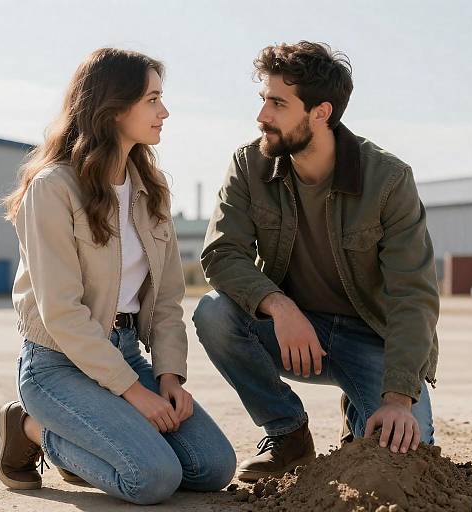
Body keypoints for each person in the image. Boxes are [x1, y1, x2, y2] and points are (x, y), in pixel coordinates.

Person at [0, 47, 236, 504]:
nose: (164, 112)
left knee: (212, 466)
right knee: (151, 479)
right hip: (58, 364)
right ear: (112, 106)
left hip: (126, 355)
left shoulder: (152, 191)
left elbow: (167, 300)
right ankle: (30, 427)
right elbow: (62, 313)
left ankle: (98, 437)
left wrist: (168, 378)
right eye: (152, 99)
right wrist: (132, 394)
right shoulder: (53, 188)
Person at [193, 41, 439, 482]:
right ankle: (288, 434)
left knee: (403, 454)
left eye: (278, 103)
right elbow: (222, 252)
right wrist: (279, 306)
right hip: (294, 331)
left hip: (373, 339)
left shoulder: (388, 179)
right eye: (263, 99)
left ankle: (360, 415)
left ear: (321, 113)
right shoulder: (250, 164)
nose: (262, 115)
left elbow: (413, 296)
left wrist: (399, 398)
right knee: (213, 313)